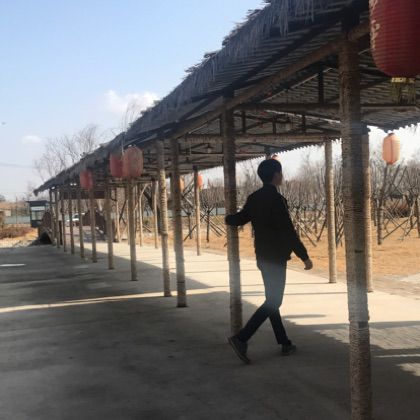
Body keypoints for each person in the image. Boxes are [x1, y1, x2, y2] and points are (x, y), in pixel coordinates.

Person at [226, 158, 313, 364]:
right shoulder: (277, 200)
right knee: (274, 301)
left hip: (262, 257)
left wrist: (228, 218)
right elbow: (288, 231)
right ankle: (241, 338)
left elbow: (240, 219)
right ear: (275, 175)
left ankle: (284, 343)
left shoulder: (254, 198)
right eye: (280, 172)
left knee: (271, 300)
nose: (282, 176)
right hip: (276, 258)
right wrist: (304, 256)